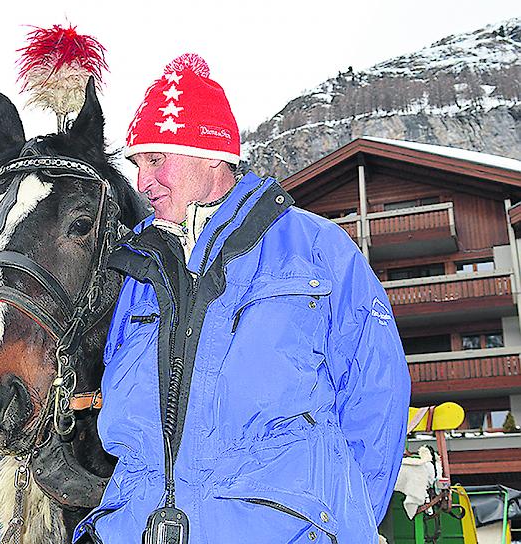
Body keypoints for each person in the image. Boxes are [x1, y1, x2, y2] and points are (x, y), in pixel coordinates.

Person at [73, 53, 410, 544]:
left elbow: (376, 394)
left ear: (212, 155)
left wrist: (346, 520)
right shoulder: (137, 268)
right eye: (137, 163)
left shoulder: (317, 250)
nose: (143, 181)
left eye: (157, 158)